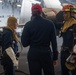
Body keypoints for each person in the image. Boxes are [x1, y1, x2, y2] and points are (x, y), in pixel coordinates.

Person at [21, 4, 58, 75]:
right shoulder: (50, 24)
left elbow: (24, 43)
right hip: (46, 53)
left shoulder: (28, 25)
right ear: (41, 12)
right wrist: (55, 57)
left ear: (32, 12)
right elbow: (54, 42)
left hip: (33, 53)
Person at [56, 4, 76, 75]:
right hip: (64, 52)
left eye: (65, 13)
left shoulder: (74, 25)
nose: (63, 15)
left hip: (73, 54)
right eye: (63, 13)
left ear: (71, 13)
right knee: (64, 72)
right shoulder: (64, 24)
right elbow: (53, 24)